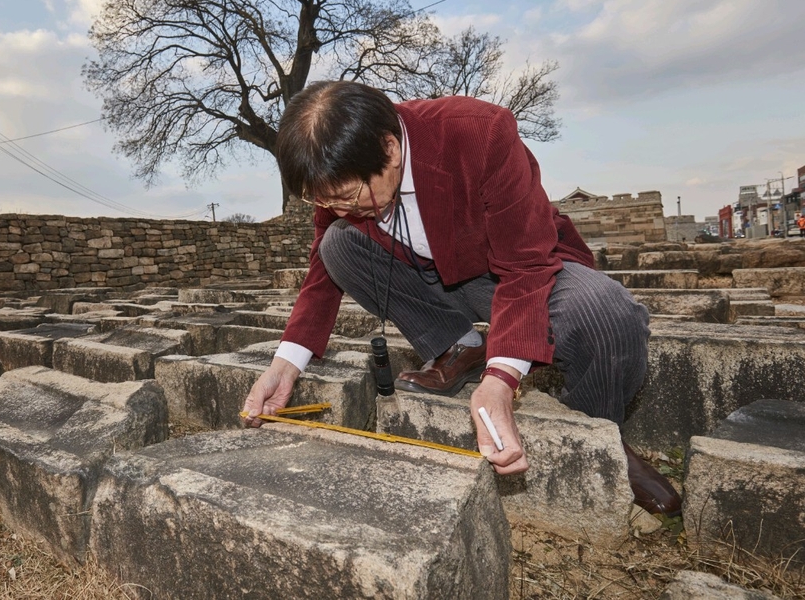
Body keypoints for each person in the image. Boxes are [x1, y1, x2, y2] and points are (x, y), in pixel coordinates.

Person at [242, 80, 681, 518]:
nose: (339, 210)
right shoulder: (341, 174)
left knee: (605, 313)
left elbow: (526, 266)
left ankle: (602, 436)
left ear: (390, 150)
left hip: (511, 271)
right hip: (430, 278)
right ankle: (460, 346)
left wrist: (502, 379)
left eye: (348, 198)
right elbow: (322, 267)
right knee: (338, 245)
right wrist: (286, 364)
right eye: (325, 201)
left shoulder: (481, 133)